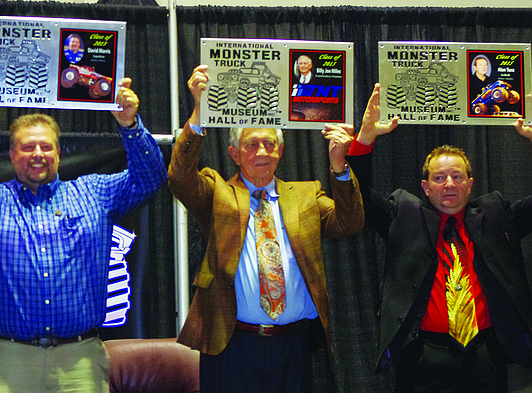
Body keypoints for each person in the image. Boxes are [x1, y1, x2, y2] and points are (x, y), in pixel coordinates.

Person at [0, 79, 167, 392]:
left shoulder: (95, 193)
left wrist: (129, 124)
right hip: (6, 360)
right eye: (27, 147)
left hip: (79, 359)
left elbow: (151, 178)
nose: (37, 154)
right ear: (12, 155)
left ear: (59, 152)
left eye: (45, 146)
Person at [169, 64, 365, 392]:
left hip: (294, 347)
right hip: (232, 346)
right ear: (234, 153)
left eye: (269, 144)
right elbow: (179, 177)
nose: (262, 152)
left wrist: (339, 167)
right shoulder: (217, 192)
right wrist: (199, 113)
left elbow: (350, 222)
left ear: (281, 151)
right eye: (251, 144)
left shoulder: (305, 195)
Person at [346, 83, 532, 392]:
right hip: (423, 356)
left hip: (485, 352)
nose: (449, 184)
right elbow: (357, 197)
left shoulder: (496, 213)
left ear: (470, 185)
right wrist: (365, 139)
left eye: (457, 177)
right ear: (426, 186)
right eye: (439, 177)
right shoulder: (403, 215)